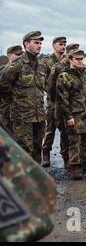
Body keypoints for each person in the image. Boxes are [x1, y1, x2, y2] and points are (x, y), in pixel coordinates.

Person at [0, 31, 47, 163]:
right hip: (22, 117)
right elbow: (3, 86)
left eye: (40, 43)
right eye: (36, 43)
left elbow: (44, 87)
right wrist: (16, 104)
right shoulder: (16, 64)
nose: (39, 46)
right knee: (24, 150)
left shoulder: (42, 65)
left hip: (39, 116)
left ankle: (37, 179)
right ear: (26, 44)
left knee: (38, 148)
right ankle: (24, 181)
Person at [56, 49, 86, 180]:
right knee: (75, 142)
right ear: (70, 59)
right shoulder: (64, 76)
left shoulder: (85, 75)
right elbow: (62, 100)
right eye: (78, 59)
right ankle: (75, 166)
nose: (81, 61)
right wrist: (68, 116)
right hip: (75, 115)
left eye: (82, 59)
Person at [47, 43, 80, 169]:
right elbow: (50, 88)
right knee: (64, 133)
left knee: (75, 133)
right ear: (69, 53)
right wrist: (58, 102)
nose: (77, 53)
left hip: (76, 106)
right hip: (61, 105)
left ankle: (76, 158)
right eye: (74, 50)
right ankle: (66, 158)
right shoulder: (58, 66)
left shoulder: (78, 65)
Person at [41, 36, 66, 167]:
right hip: (52, 101)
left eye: (64, 44)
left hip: (65, 102)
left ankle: (66, 156)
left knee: (65, 130)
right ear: (54, 45)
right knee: (50, 129)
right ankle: (46, 153)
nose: (63, 46)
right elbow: (44, 81)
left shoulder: (67, 61)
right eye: (60, 44)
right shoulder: (46, 62)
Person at [0, 45, 23, 130]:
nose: (20, 57)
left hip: (18, 111)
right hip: (6, 110)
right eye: (17, 55)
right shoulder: (3, 70)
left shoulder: (20, 70)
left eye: (21, 54)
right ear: (9, 55)